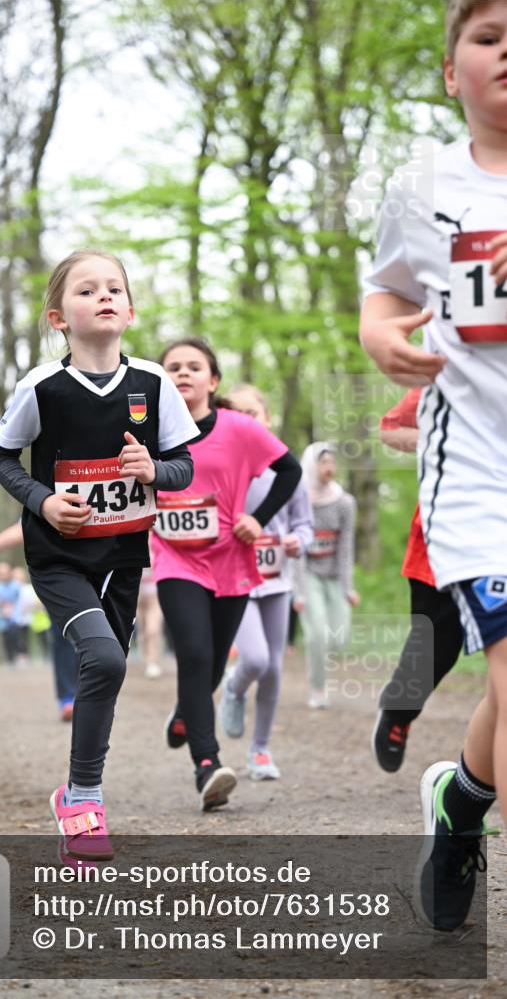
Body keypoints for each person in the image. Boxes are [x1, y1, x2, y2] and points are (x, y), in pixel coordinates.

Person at [360, 0, 507, 932]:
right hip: (479, 476)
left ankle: (463, 803)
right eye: (490, 37)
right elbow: (384, 294)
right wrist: (381, 339)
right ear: (452, 71)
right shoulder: (423, 188)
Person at [0, 249, 197, 859]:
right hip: (59, 555)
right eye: (86, 290)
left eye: (113, 288)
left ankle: (77, 794)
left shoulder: (153, 383)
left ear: (129, 310)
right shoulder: (41, 387)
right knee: (104, 660)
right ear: (59, 317)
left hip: (125, 556)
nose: (102, 296)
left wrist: (154, 469)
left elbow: (185, 466)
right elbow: (1, 458)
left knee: (108, 668)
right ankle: (84, 800)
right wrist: (44, 500)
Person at [152, 338, 302, 809]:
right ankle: (207, 765)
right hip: (175, 558)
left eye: (193, 366)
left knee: (215, 661)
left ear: (213, 380)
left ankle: (185, 713)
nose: (182, 373)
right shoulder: (147, 431)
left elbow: (290, 471)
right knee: (194, 654)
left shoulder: (239, 428)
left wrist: (259, 518)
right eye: (172, 367)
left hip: (231, 557)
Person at [219, 384, 314, 780]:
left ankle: (260, 751)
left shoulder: (286, 468)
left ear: (267, 419)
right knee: (255, 659)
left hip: (276, 578)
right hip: (234, 577)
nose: (245, 421)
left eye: (252, 414)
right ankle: (234, 689)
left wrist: (298, 541)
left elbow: (305, 524)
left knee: (274, 668)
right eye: (236, 414)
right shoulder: (222, 463)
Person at [372, 387, 464, 772]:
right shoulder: (449, 375)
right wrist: (446, 439)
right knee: (438, 642)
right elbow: (390, 429)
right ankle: (399, 711)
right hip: (444, 530)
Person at [0, 521, 79, 721]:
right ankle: (68, 699)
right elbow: (29, 523)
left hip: (103, 573)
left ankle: (93, 697)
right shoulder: (52, 491)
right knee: (63, 636)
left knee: (99, 644)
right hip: (60, 576)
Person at [293, 443, 359, 708]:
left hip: (334, 574)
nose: (329, 468)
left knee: (339, 637)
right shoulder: (298, 501)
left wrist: (348, 588)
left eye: (333, 462)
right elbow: (296, 549)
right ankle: (318, 688)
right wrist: (297, 593)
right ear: (311, 465)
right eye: (323, 462)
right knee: (317, 634)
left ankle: (321, 660)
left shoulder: (345, 503)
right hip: (309, 574)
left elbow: (346, 547)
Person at [0, 562, 22, 667]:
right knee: (6, 638)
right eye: (1, 573)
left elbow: (22, 600)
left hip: (15, 617)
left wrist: (14, 609)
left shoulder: (16, 586)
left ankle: (19, 654)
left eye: (5, 573)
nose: (3, 575)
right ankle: (9, 659)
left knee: (15, 635)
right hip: (2, 618)